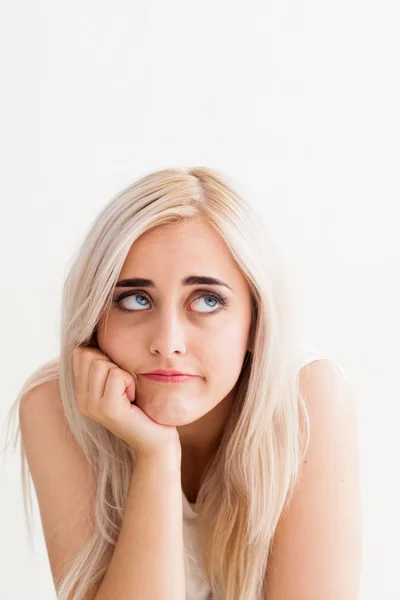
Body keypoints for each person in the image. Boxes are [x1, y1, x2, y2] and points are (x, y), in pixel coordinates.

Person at [1, 167, 362, 600]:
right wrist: (155, 456)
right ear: (96, 317)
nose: (167, 343)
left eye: (207, 301)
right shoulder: (54, 405)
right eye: (135, 299)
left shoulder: (307, 398)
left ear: (255, 323)